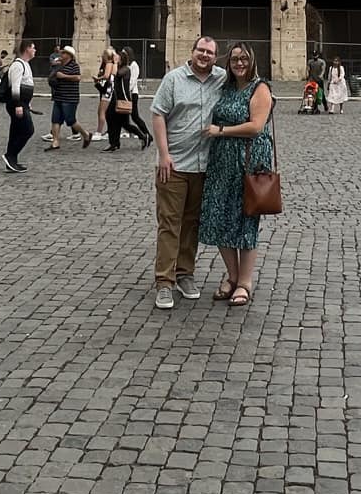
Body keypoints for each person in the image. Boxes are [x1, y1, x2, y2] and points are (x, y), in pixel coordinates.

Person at [198, 41, 275, 309]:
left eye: (243, 59)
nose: (239, 63)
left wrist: (221, 131)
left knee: (245, 221)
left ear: (252, 60)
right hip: (221, 162)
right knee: (218, 215)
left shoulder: (260, 88)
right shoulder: (227, 87)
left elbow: (256, 127)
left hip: (249, 161)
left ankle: (244, 282)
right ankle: (231, 276)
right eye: (234, 60)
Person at [149, 36, 222, 309]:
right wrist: (164, 154)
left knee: (192, 223)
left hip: (204, 165)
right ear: (192, 52)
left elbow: (247, 85)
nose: (204, 55)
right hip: (175, 164)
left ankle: (184, 274)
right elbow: (158, 114)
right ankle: (164, 282)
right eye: (200, 50)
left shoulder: (220, 79)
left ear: (216, 57)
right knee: (170, 223)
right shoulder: (174, 79)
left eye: (210, 52)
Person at [0, 42, 37, 173]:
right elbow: (15, 87)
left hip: (23, 103)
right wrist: (18, 105)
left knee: (15, 132)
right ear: (27, 49)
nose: (35, 50)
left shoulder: (26, 64)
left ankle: (12, 161)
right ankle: (10, 155)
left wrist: (28, 102)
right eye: (33, 48)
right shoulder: (18, 65)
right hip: (17, 103)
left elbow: (27, 84)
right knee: (28, 130)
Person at [102, 47, 140, 152]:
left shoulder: (126, 69)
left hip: (123, 98)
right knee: (110, 118)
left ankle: (142, 135)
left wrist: (114, 63)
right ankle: (113, 143)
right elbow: (110, 79)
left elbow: (116, 74)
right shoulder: (119, 68)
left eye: (117, 58)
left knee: (124, 124)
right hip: (114, 98)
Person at [46, 44, 83, 150]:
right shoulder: (59, 65)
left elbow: (77, 77)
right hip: (58, 95)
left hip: (70, 97)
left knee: (70, 120)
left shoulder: (74, 66)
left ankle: (85, 134)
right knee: (55, 119)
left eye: (64, 53)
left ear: (69, 55)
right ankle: (55, 142)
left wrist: (64, 76)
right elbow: (53, 75)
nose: (61, 54)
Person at [93, 46, 119, 143]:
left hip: (107, 90)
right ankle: (108, 131)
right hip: (108, 90)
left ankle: (99, 132)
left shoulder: (108, 64)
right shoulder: (112, 64)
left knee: (101, 111)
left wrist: (98, 78)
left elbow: (107, 76)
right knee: (104, 111)